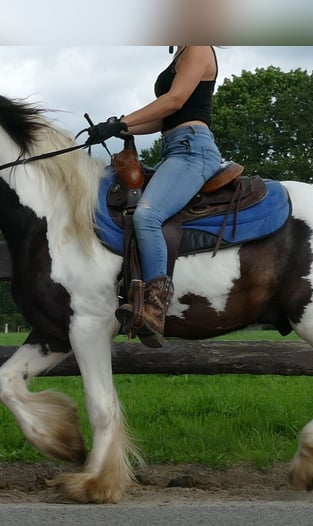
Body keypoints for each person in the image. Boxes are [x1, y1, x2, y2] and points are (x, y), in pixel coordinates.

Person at [86, 45, 223, 348]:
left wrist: (122, 121)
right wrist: (116, 127)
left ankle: (155, 306)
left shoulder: (199, 47)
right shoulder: (182, 53)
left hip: (192, 150)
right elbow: (164, 120)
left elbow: (173, 102)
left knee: (148, 215)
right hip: (174, 148)